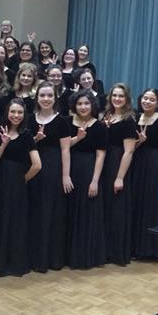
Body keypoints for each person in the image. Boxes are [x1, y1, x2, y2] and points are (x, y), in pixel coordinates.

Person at [0, 99, 42, 276]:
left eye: (20, 112)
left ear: (24, 115)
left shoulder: (27, 135)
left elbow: (37, 165)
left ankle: (12, 263)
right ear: (7, 113)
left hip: (16, 186)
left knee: (15, 222)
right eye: (13, 112)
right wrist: (4, 144)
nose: (16, 115)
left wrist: (22, 180)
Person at [28, 82, 72, 273]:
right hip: (33, 168)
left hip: (53, 170)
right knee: (34, 212)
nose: (46, 99)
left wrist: (65, 175)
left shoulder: (62, 121)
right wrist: (35, 140)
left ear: (55, 99)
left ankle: (50, 258)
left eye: (49, 96)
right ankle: (32, 257)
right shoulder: (29, 119)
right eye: (42, 95)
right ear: (37, 98)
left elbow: (65, 150)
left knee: (50, 213)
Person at [62, 92, 108, 269]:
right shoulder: (67, 123)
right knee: (70, 211)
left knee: (88, 212)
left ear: (92, 105)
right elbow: (65, 148)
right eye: (79, 103)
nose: (83, 107)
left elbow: (100, 155)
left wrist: (95, 180)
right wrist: (78, 138)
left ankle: (85, 256)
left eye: (86, 103)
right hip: (70, 168)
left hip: (89, 170)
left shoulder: (99, 127)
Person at [129, 88, 158, 260]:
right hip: (137, 164)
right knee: (137, 204)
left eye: (151, 99)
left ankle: (151, 249)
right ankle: (136, 247)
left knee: (150, 206)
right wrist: (140, 142)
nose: (147, 102)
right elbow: (133, 146)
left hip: (154, 165)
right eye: (145, 98)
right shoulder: (136, 118)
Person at [100, 84, 138, 266]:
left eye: (121, 96)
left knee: (117, 210)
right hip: (104, 164)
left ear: (126, 99)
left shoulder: (128, 120)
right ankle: (105, 250)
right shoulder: (107, 116)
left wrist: (120, 177)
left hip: (117, 164)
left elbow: (129, 152)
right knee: (106, 208)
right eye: (114, 95)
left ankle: (117, 252)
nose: (117, 99)